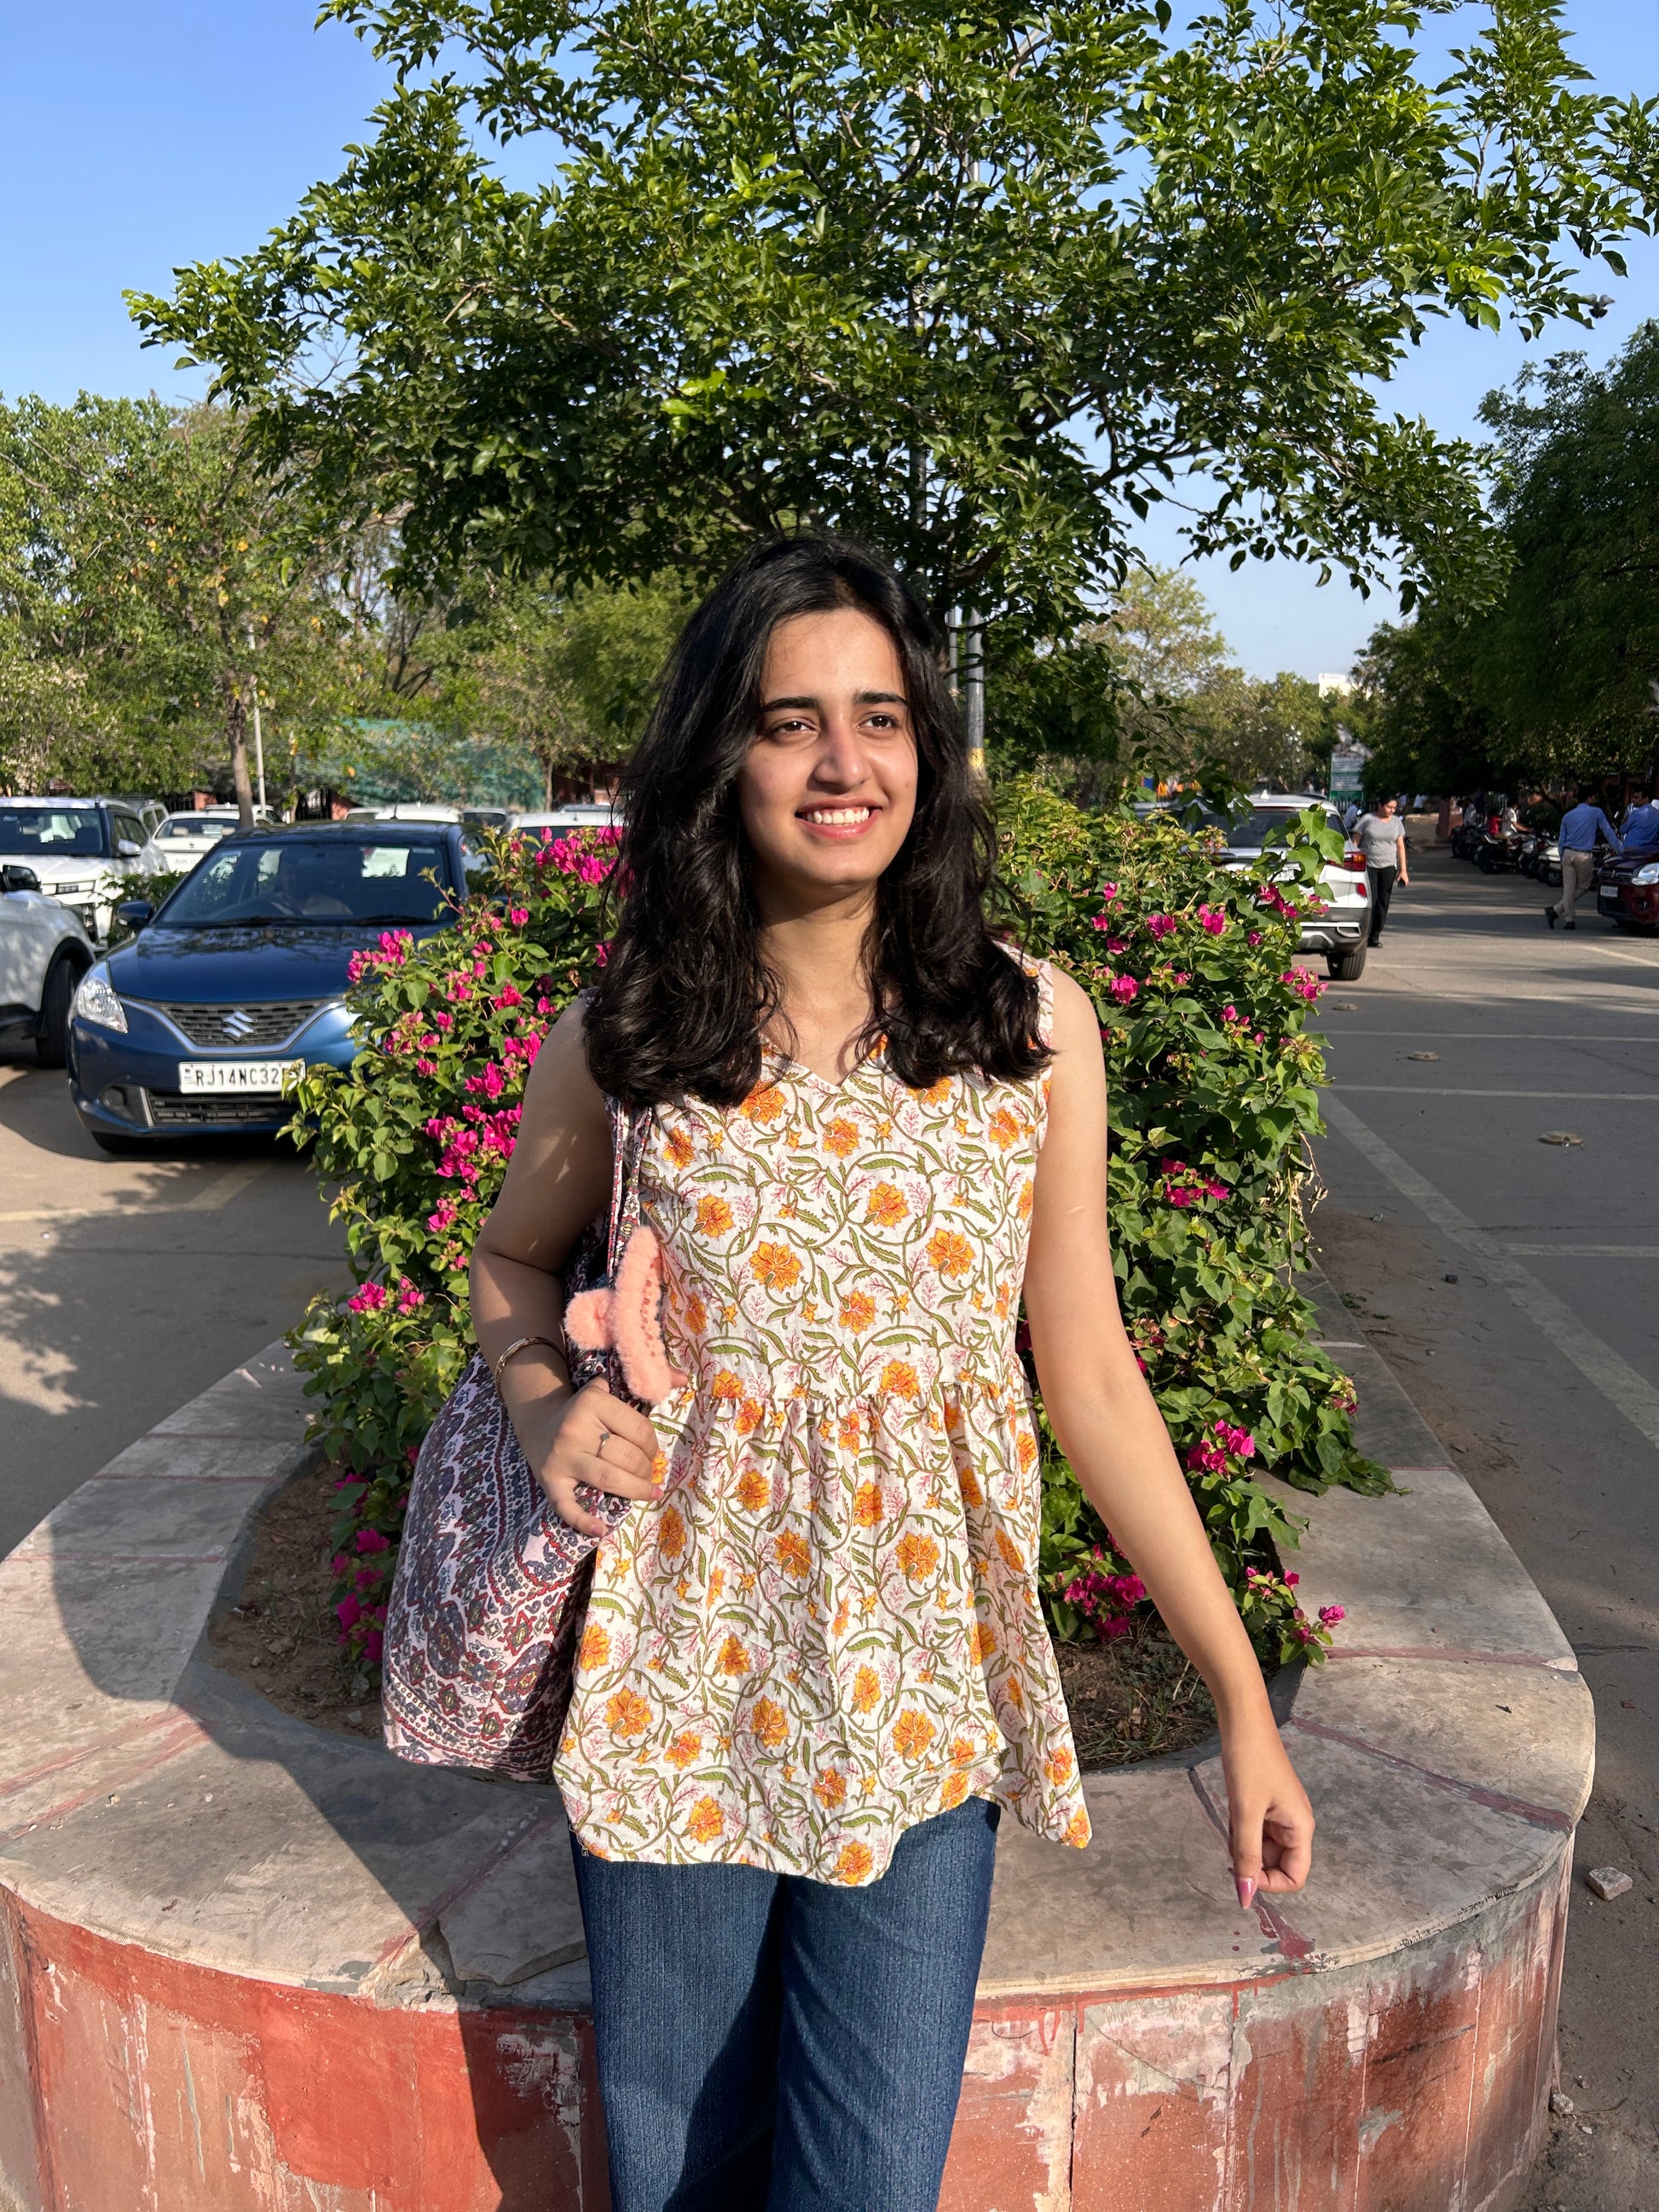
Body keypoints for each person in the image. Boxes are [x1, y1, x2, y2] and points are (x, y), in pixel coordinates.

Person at [468, 535, 1315, 2212]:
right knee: (676, 2172)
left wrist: (1237, 1691)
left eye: (879, 717)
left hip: (925, 1694)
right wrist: (550, 1400)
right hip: (680, 1684)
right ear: (726, 755)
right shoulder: (632, 1031)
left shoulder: (1027, 1031)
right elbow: (508, 1265)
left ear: (928, 748)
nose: (842, 763)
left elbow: (1088, 1375)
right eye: (791, 722)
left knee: (864, 2179)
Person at [1547, 787, 1621, 929]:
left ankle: (1569, 920)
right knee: (1584, 886)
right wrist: (1620, 850)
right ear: (1589, 798)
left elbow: (1562, 840)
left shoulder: (1568, 816)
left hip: (1568, 853)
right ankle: (1556, 910)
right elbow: (1608, 832)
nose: (1594, 800)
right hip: (1584, 855)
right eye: (1593, 797)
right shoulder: (1596, 812)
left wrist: (1562, 856)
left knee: (1568, 887)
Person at [1352, 794, 1410, 947]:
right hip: (1368, 865)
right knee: (1371, 899)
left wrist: (1403, 870)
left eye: (1394, 808)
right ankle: (1364, 934)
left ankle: (1375, 935)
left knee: (1383, 902)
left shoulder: (1397, 823)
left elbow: (1400, 846)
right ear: (1380, 805)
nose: (1392, 810)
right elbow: (1355, 843)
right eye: (1389, 807)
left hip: (1388, 867)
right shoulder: (1367, 820)